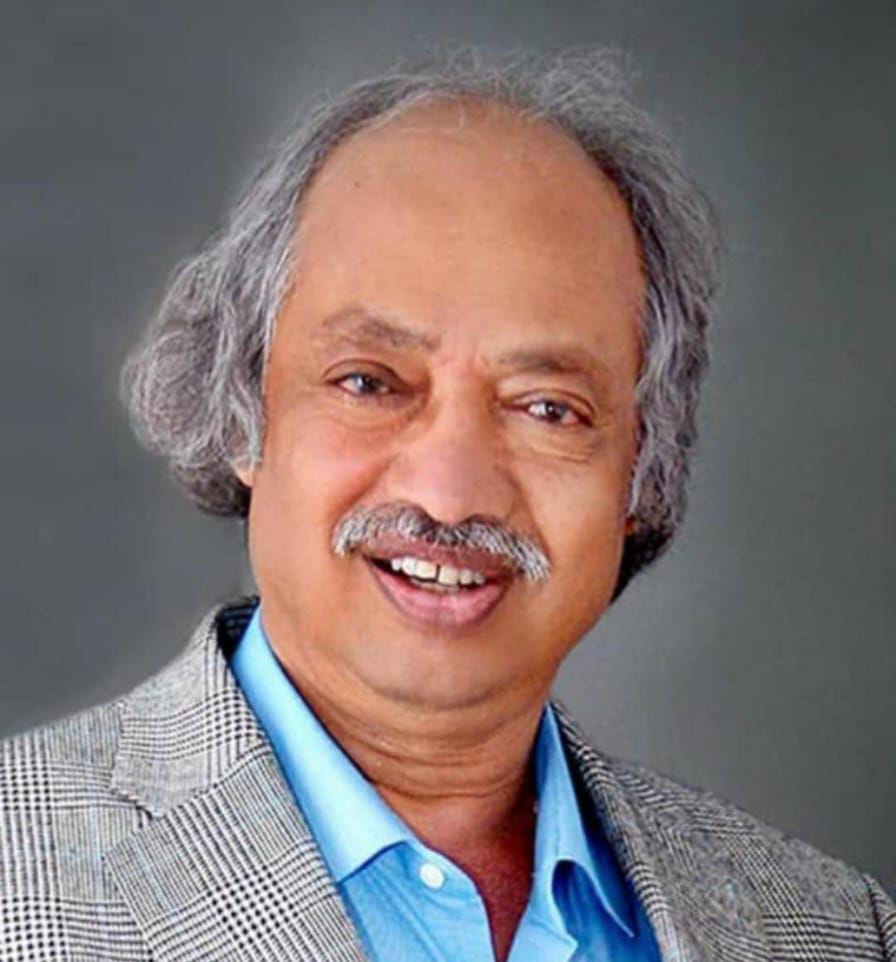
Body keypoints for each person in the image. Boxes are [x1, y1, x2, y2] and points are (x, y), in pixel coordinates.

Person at [1, 48, 892, 962]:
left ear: (640, 475)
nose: (450, 491)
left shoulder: (834, 930)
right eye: (369, 382)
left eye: (548, 408)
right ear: (243, 415)